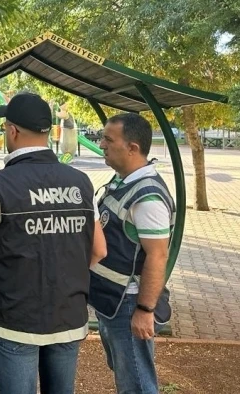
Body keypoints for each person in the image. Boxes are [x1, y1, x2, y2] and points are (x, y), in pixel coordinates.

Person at [0, 93, 107, 394]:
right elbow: (99, 250)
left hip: (14, 317)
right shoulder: (81, 182)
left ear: (12, 130)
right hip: (67, 314)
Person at [91, 113, 175, 394]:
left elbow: (157, 256)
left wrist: (144, 310)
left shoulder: (148, 197)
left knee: (136, 385)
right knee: (127, 376)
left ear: (132, 148)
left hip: (128, 304)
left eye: (108, 139)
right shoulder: (123, 181)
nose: (101, 144)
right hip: (113, 302)